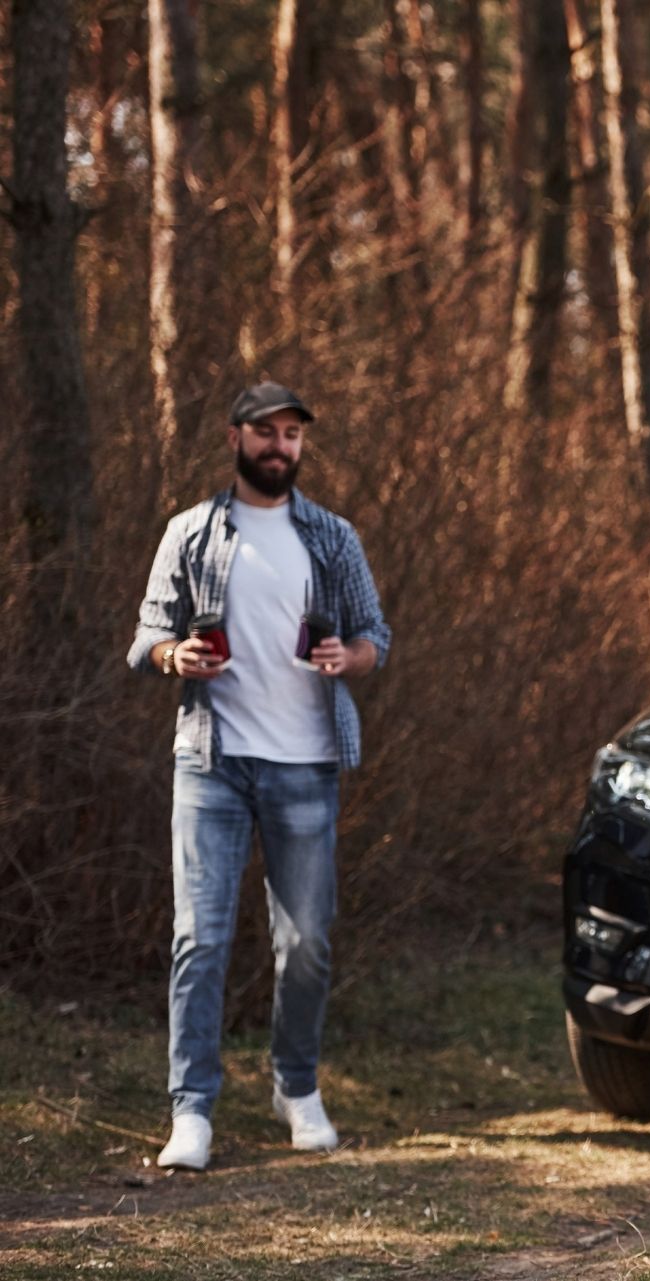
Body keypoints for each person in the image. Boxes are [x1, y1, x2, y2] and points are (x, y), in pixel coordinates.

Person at [128, 382, 392, 1172]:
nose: (280, 446)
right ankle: (191, 1110)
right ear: (235, 438)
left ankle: (296, 1087)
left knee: (306, 940)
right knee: (199, 938)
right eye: (266, 432)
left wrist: (349, 656)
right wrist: (175, 654)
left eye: (292, 435)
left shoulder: (333, 536)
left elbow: (375, 637)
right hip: (211, 762)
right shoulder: (191, 531)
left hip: (306, 764)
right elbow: (146, 635)